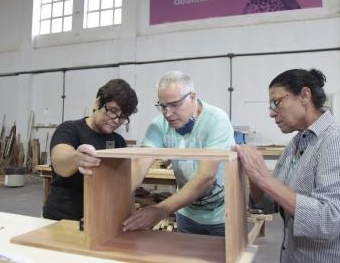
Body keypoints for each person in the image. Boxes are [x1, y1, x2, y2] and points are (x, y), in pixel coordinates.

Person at [233, 69, 340, 262]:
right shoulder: (296, 144)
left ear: (304, 95)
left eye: (276, 102)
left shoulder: (339, 143)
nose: (271, 113)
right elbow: (269, 203)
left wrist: (264, 177)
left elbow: (329, 219)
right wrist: (254, 178)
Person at [78, 71, 235, 236]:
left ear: (192, 96)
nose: (167, 113)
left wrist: (161, 210)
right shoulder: (159, 125)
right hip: (187, 215)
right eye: (163, 106)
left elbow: (206, 177)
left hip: (223, 216)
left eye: (175, 105)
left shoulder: (216, 121)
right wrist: (110, 204)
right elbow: (140, 163)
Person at [42, 79, 138, 220]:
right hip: (64, 218)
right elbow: (59, 163)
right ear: (98, 103)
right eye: (113, 111)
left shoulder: (118, 141)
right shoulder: (70, 129)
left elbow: (121, 182)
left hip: (99, 218)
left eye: (123, 117)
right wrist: (76, 158)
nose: (117, 120)